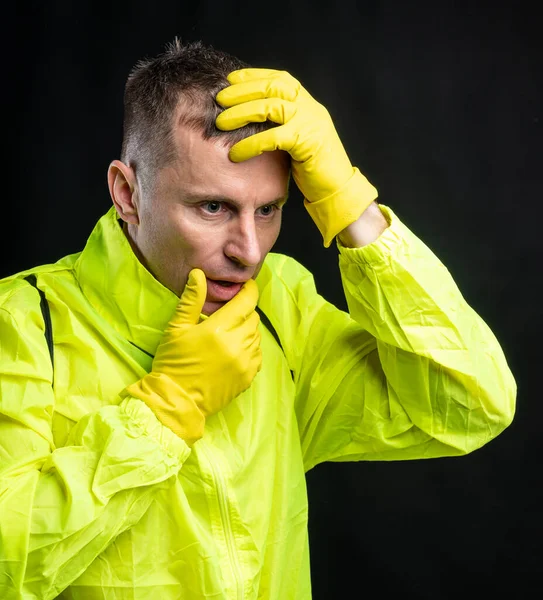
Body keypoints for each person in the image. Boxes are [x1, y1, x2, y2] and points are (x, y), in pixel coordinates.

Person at [0, 37, 516, 600]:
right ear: (128, 193)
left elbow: (471, 404)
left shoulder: (280, 306)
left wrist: (350, 204)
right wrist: (168, 409)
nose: (249, 250)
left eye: (267, 209)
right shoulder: (26, 324)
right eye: (213, 207)